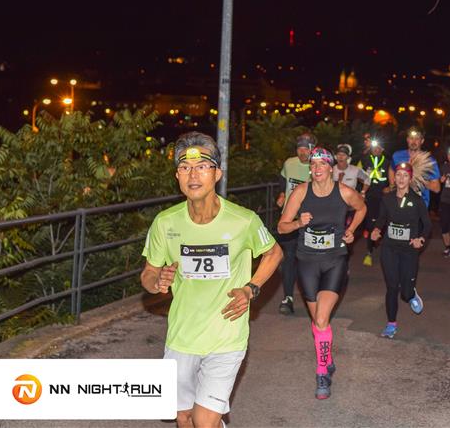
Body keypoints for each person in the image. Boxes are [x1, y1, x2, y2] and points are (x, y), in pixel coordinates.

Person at [140, 132, 283, 428]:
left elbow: (274, 253)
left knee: (204, 421)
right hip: (182, 336)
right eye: (185, 167)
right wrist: (157, 282)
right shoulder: (165, 223)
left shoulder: (243, 220)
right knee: (183, 417)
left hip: (226, 336)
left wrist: (251, 288)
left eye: (202, 166)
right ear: (177, 176)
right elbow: (149, 273)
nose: (193, 175)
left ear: (217, 174)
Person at [277, 147, 366, 400]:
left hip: (334, 260)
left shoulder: (344, 192)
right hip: (307, 262)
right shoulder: (301, 192)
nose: (316, 168)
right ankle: (326, 357)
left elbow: (362, 208)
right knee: (319, 322)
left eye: (321, 164)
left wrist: (351, 230)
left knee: (322, 319)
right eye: (313, 164)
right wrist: (298, 223)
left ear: (330, 168)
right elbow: (281, 227)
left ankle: (322, 373)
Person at [371, 162, 431, 339]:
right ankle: (391, 324)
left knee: (405, 292)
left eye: (405, 175)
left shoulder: (417, 200)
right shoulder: (387, 198)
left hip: (408, 250)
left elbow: (427, 225)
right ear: (394, 178)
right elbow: (382, 218)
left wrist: (421, 239)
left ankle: (411, 294)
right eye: (398, 175)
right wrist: (376, 229)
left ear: (410, 179)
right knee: (391, 287)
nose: (401, 178)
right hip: (389, 248)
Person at [274, 132, 315, 314]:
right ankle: (288, 297)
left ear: (312, 149)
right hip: (289, 219)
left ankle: (314, 294)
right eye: (299, 148)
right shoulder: (289, 163)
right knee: (289, 258)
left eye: (306, 149)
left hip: (309, 221)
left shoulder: (317, 167)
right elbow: (283, 180)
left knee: (307, 260)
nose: (302, 152)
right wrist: (282, 194)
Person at [357, 137, 390, 266]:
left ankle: (382, 245)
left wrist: (390, 187)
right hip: (369, 196)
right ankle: (369, 252)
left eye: (379, 147)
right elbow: (356, 174)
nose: (376, 149)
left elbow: (392, 178)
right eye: (374, 147)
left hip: (383, 197)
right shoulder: (364, 160)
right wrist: (364, 182)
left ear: (382, 149)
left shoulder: (387, 162)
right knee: (370, 224)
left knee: (382, 222)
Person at [388, 127, 441, 207]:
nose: (413, 141)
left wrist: (418, 179)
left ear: (422, 141)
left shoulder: (429, 161)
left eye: (417, 139)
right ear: (407, 139)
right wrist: (392, 186)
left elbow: (437, 188)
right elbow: (391, 169)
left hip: (420, 204)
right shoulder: (397, 155)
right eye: (411, 138)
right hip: (398, 202)